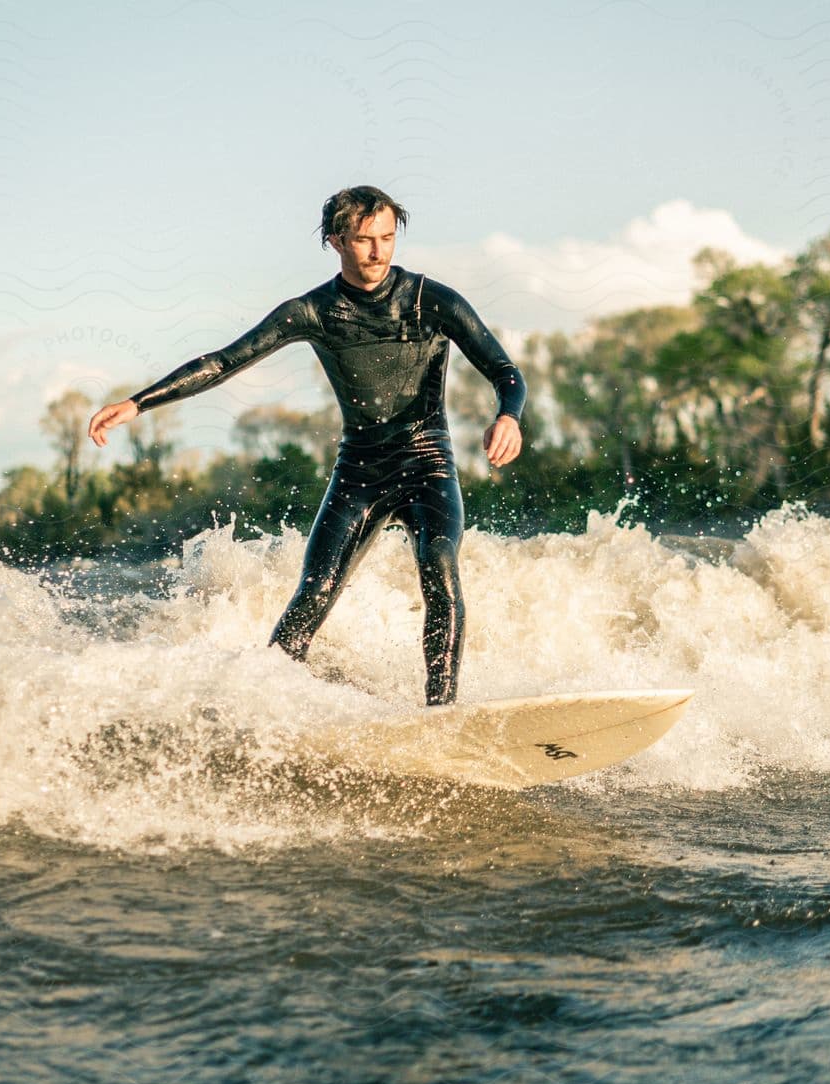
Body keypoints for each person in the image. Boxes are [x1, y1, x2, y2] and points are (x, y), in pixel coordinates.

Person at [88, 185, 525, 704]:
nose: (379, 251)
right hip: (359, 472)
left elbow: (505, 371)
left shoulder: (432, 300)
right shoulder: (313, 310)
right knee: (313, 594)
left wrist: (509, 416)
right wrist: (139, 403)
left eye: (388, 238)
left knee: (439, 561)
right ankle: (263, 708)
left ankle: (442, 711)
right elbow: (225, 361)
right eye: (365, 240)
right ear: (337, 241)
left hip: (427, 462)